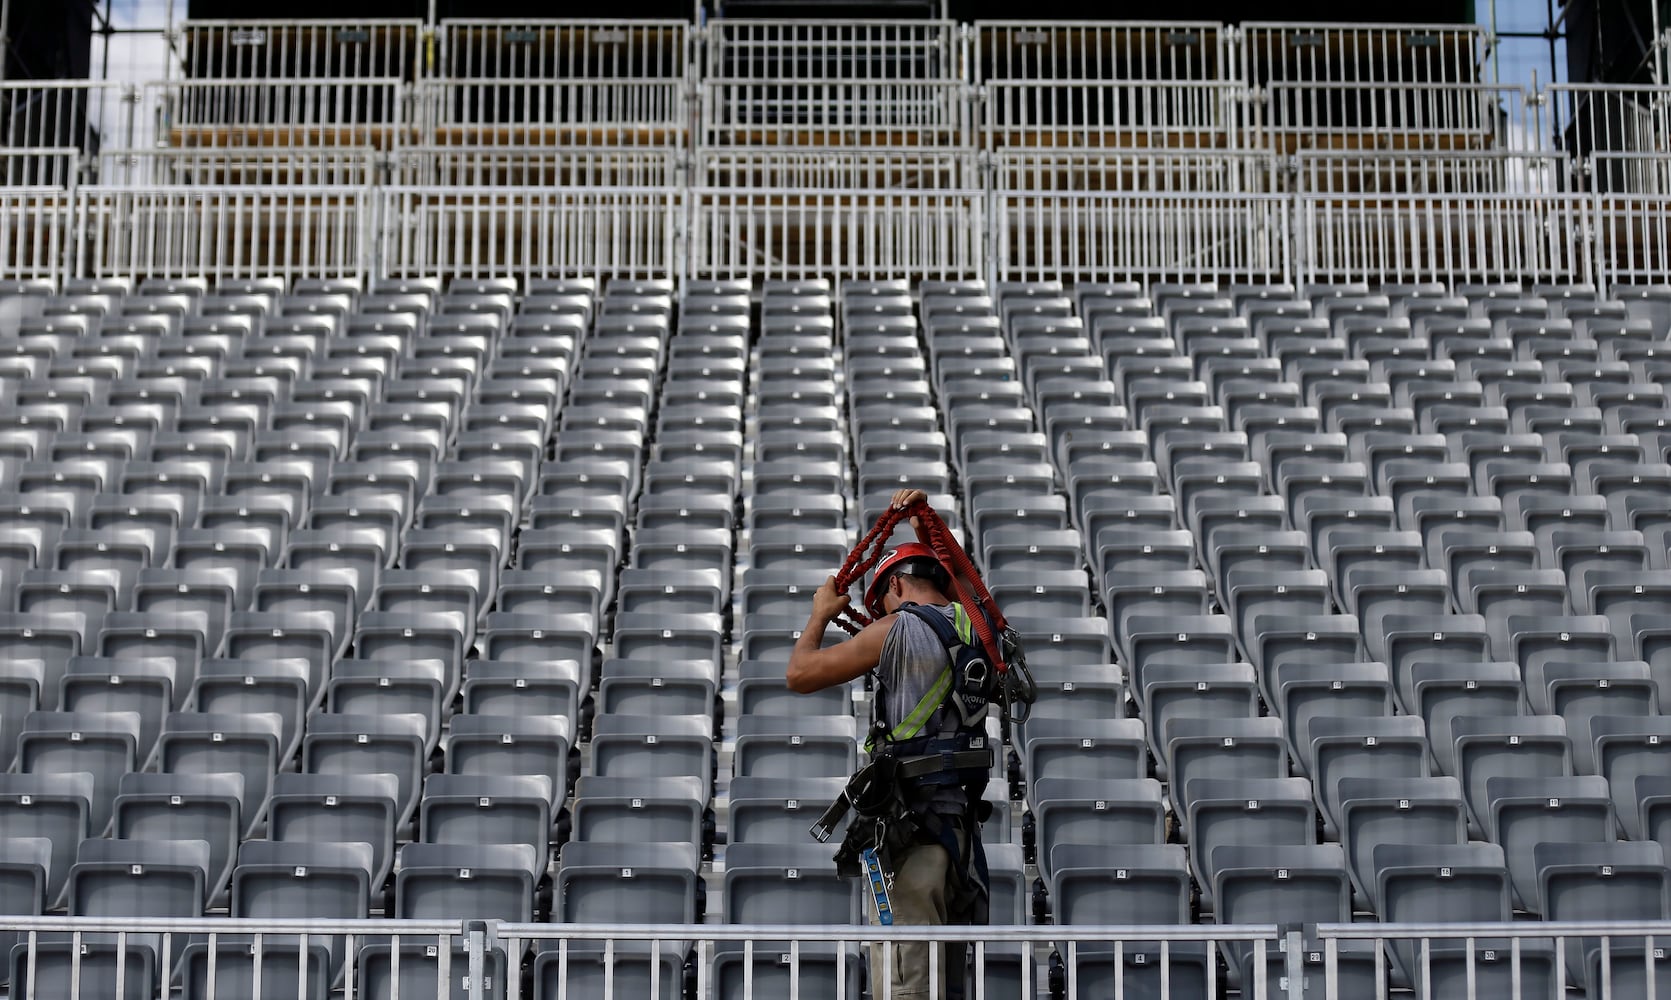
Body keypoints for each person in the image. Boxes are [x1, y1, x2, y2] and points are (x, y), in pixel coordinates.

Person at [787, 488, 993, 1000]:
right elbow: (964, 575)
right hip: (959, 834)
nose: (874, 612)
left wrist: (820, 613)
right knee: (945, 981)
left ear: (896, 585)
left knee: (905, 980)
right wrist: (925, 522)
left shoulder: (895, 629)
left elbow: (800, 674)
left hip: (912, 831)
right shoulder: (980, 626)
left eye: (878, 601)